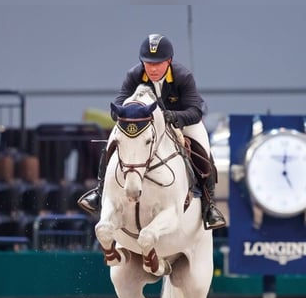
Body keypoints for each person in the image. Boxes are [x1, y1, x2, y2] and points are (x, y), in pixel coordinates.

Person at [78, 33, 227, 230]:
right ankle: (99, 192)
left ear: (169, 61)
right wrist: (130, 115)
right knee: (113, 139)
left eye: (159, 63)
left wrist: (173, 117)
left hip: (180, 121)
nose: (153, 68)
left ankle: (209, 206)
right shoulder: (134, 75)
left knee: (203, 149)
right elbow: (120, 104)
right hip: (145, 124)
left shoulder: (183, 76)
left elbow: (196, 110)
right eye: (148, 63)